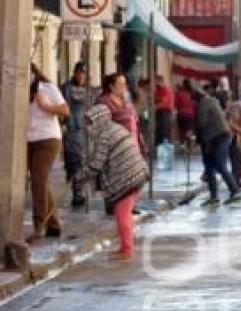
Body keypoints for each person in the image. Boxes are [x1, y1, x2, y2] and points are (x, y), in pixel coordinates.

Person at [75, 104, 150, 260]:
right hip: (137, 174)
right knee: (125, 214)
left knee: (122, 214)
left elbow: (97, 164)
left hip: (127, 178)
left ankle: (126, 251)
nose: (89, 127)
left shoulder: (104, 135)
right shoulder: (115, 128)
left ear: (99, 120)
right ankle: (125, 247)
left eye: (90, 122)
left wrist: (79, 176)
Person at [27, 63, 69, 240]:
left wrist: (45, 106)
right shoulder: (15, 88)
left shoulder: (47, 87)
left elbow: (65, 111)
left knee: (38, 180)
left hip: (48, 139)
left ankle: (39, 224)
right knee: (41, 181)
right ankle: (53, 223)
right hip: (28, 141)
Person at [195, 87, 241, 206]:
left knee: (220, 165)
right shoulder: (211, 101)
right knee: (209, 167)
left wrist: (198, 138)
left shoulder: (203, 104)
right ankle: (214, 196)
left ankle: (234, 192)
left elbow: (202, 123)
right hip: (217, 137)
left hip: (218, 138)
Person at [61, 62, 91, 208]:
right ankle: (77, 193)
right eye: (79, 73)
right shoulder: (67, 87)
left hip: (84, 131)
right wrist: (67, 124)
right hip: (71, 131)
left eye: (84, 73)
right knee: (74, 161)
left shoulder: (88, 89)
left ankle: (78, 192)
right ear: (75, 73)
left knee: (82, 162)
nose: (81, 76)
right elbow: (65, 107)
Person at [100, 73, 145, 152]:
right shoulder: (104, 101)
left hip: (132, 148)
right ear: (112, 86)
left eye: (125, 84)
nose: (125, 87)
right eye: (121, 84)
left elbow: (136, 124)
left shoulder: (126, 102)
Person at [154, 75, 174, 145]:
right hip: (159, 112)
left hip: (165, 111)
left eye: (156, 81)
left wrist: (155, 106)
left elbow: (164, 101)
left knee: (164, 130)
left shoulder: (166, 90)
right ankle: (159, 147)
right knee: (159, 131)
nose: (155, 83)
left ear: (160, 81)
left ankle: (165, 148)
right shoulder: (157, 90)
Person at [174, 79, 196, 144]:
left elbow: (176, 103)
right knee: (189, 130)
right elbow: (195, 104)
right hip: (190, 114)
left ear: (183, 85)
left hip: (181, 114)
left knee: (182, 130)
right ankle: (189, 145)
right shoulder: (192, 93)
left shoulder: (179, 93)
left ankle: (182, 144)